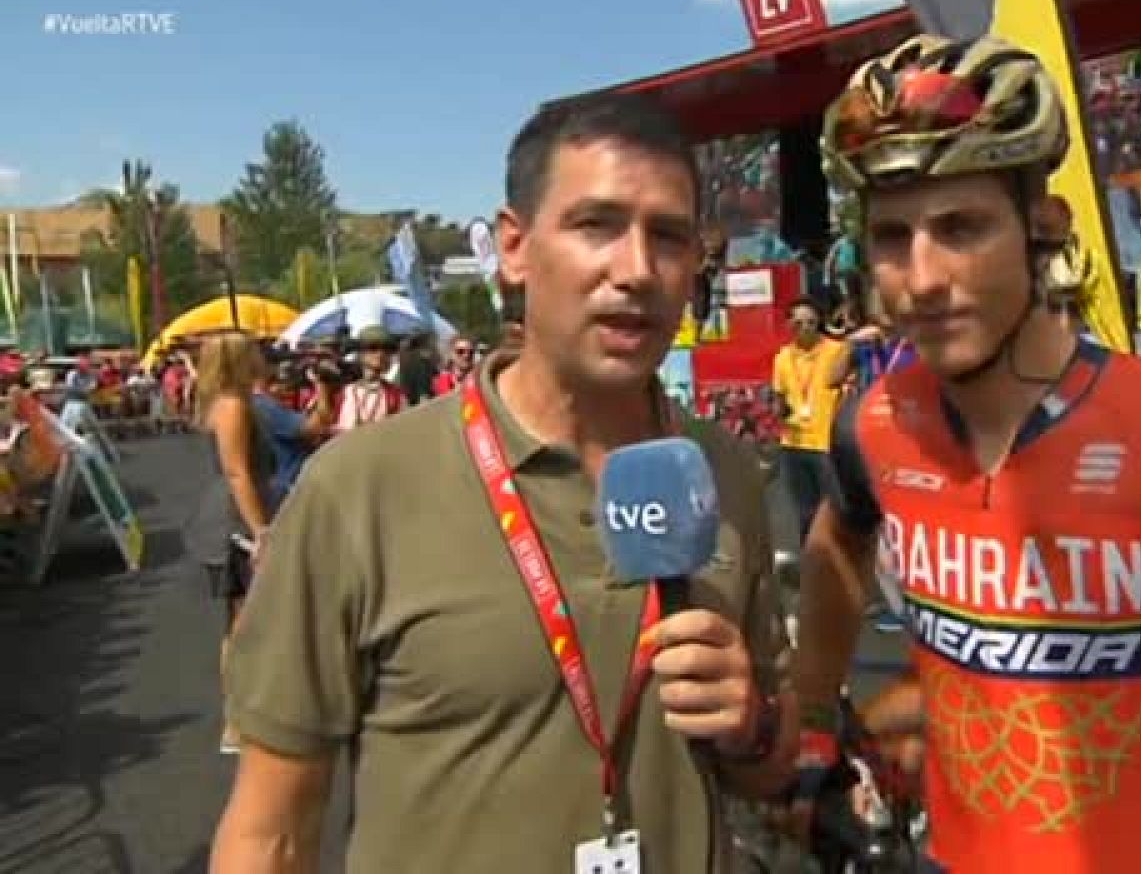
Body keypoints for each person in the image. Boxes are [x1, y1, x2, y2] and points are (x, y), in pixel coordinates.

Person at [792, 34, 1141, 873]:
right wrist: (813, 726)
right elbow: (838, 539)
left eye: (961, 227)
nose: (921, 278)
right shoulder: (872, 423)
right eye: (890, 236)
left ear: (1044, 227)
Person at [212, 92, 796, 874]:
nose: (636, 270)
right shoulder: (358, 490)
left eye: (668, 235)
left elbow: (771, 769)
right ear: (515, 248)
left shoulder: (725, 472)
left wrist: (752, 725)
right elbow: (271, 833)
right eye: (597, 225)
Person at [191, 332, 334, 754]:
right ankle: (241, 718)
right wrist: (261, 530)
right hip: (238, 520)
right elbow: (238, 472)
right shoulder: (234, 406)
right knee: (248, 620)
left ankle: (242, 715)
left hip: (232, 515)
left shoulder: (223, 403)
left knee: (241, 620)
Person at [771, 295, 848, 537]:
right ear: (789, 325)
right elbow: (779, 397)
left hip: (826, 445)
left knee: (834, 512)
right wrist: (779, 411)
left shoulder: (837, 351)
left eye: (810, 322)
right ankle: (809, 556)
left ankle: (835, 555)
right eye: (798, 323)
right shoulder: (782, 358)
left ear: (819, 323)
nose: (804, 328)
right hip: (793, 444)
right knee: (804, 513)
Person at [332, 325, 407, 432]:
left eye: (387, 350)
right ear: (360, 353)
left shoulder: (395, 396)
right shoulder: (345, 392)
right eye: (373, 348)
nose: (380, 354)